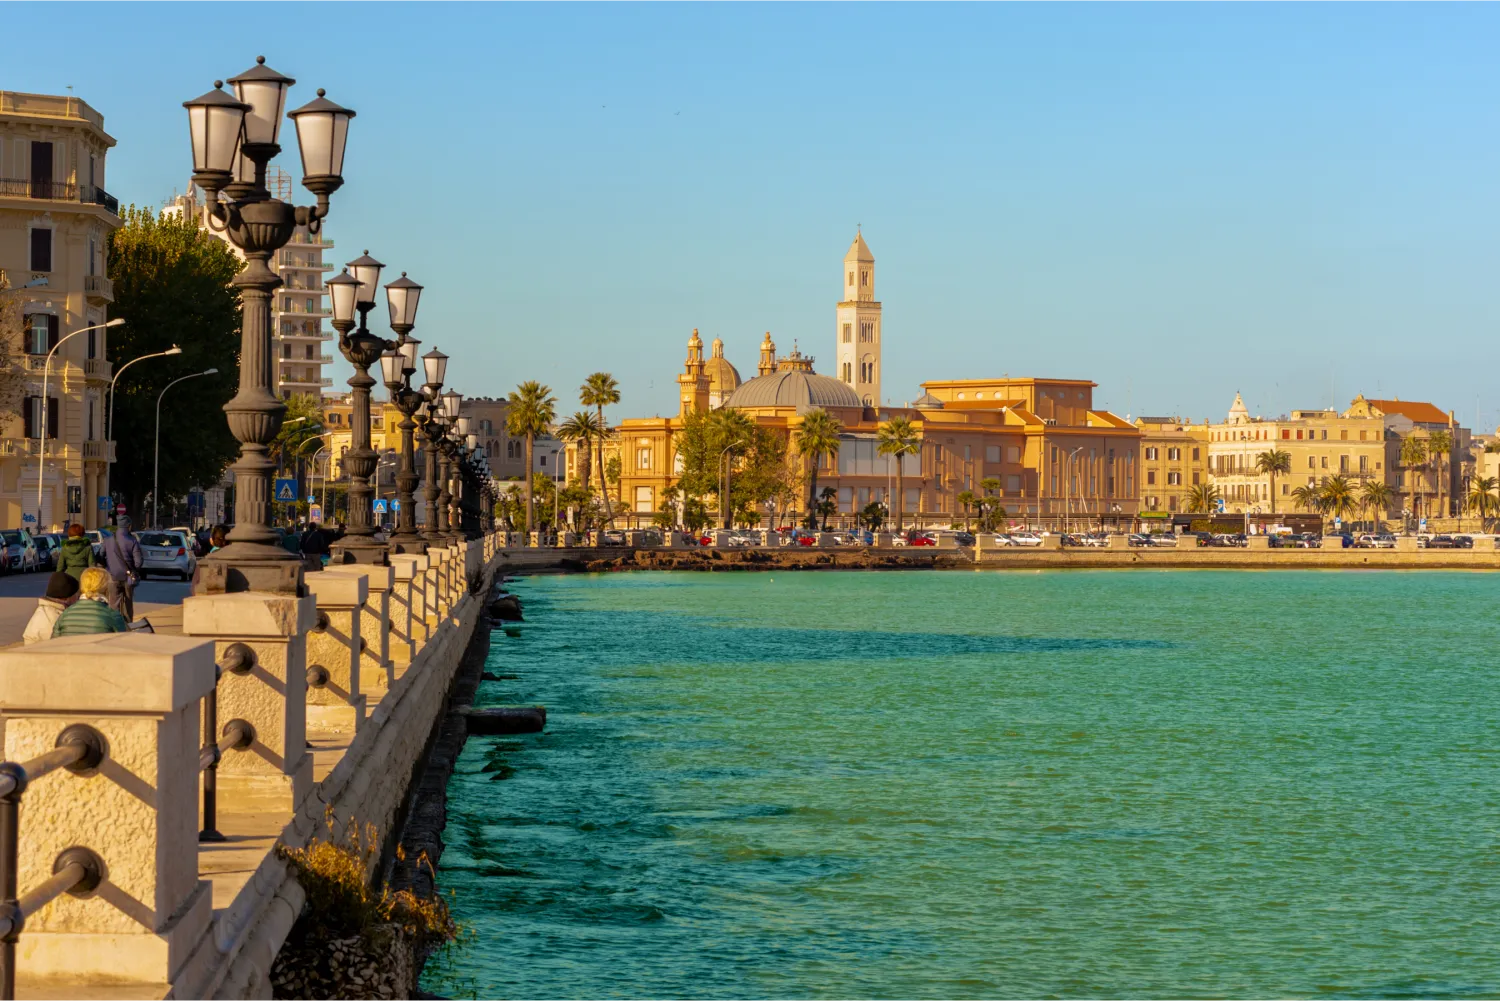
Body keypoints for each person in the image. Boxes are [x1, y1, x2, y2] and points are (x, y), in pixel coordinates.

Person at [51, 567, 128, 637]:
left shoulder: (64, 615)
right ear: (106, 589)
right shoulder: (113, 615)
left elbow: (53, 644)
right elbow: (123, 645)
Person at [102, 515, 143, 622]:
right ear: (128, 526)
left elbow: (100, 556)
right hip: (128, 577)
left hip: (113, 576)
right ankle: (128, 625)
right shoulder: (133, 541)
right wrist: (133, 569)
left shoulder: (108, 540)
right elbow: (138, 562)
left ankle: (114, 625)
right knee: (128, 603)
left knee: (113, 603)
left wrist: (108, 566)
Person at [23, 572, 79, 644]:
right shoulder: (57, 618)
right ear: (67, 598)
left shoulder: (43, 610)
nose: (78, 599)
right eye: (76, 595)